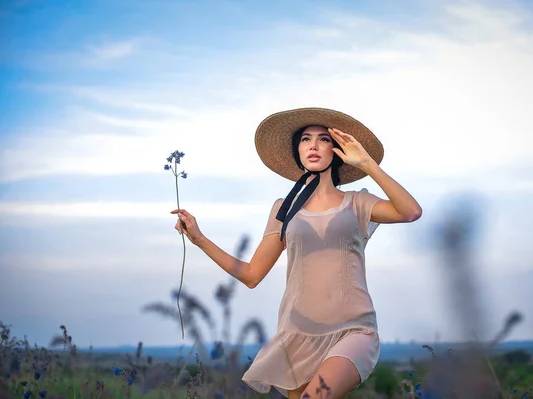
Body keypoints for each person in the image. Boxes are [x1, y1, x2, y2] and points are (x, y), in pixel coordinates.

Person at [171, 107, 422, 399]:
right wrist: (200, 239)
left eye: (324, 139)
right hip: (297, 336)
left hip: (353, 331)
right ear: (297, 150)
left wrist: (367, 163)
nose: (313, 145)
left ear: (338, 149)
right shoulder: (284, 209)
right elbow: (252, 275)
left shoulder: (358, 203)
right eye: (305, 139)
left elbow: (411, 211)